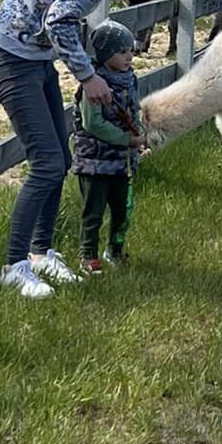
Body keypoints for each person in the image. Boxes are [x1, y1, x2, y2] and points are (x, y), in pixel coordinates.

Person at [0, 0, 163, 299]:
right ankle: (15, 265)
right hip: (13, 59)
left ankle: (42, 253)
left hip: (33, 57)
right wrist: (87, 75)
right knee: (47, 163)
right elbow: (59, 20)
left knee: (60, 159)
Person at [72, 20, 146, 275]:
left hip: (122, 161)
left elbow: (134, 111)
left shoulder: (129, 80)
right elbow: (93, 123)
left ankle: (115, 249)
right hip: (94, 160)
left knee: (122, 209)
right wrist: (127, 140)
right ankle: (88, 255)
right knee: (93, 211)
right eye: (122, 51)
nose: (129, 56)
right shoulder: (93, 85)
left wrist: (139, 135)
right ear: (105, 54)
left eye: (130, 50)